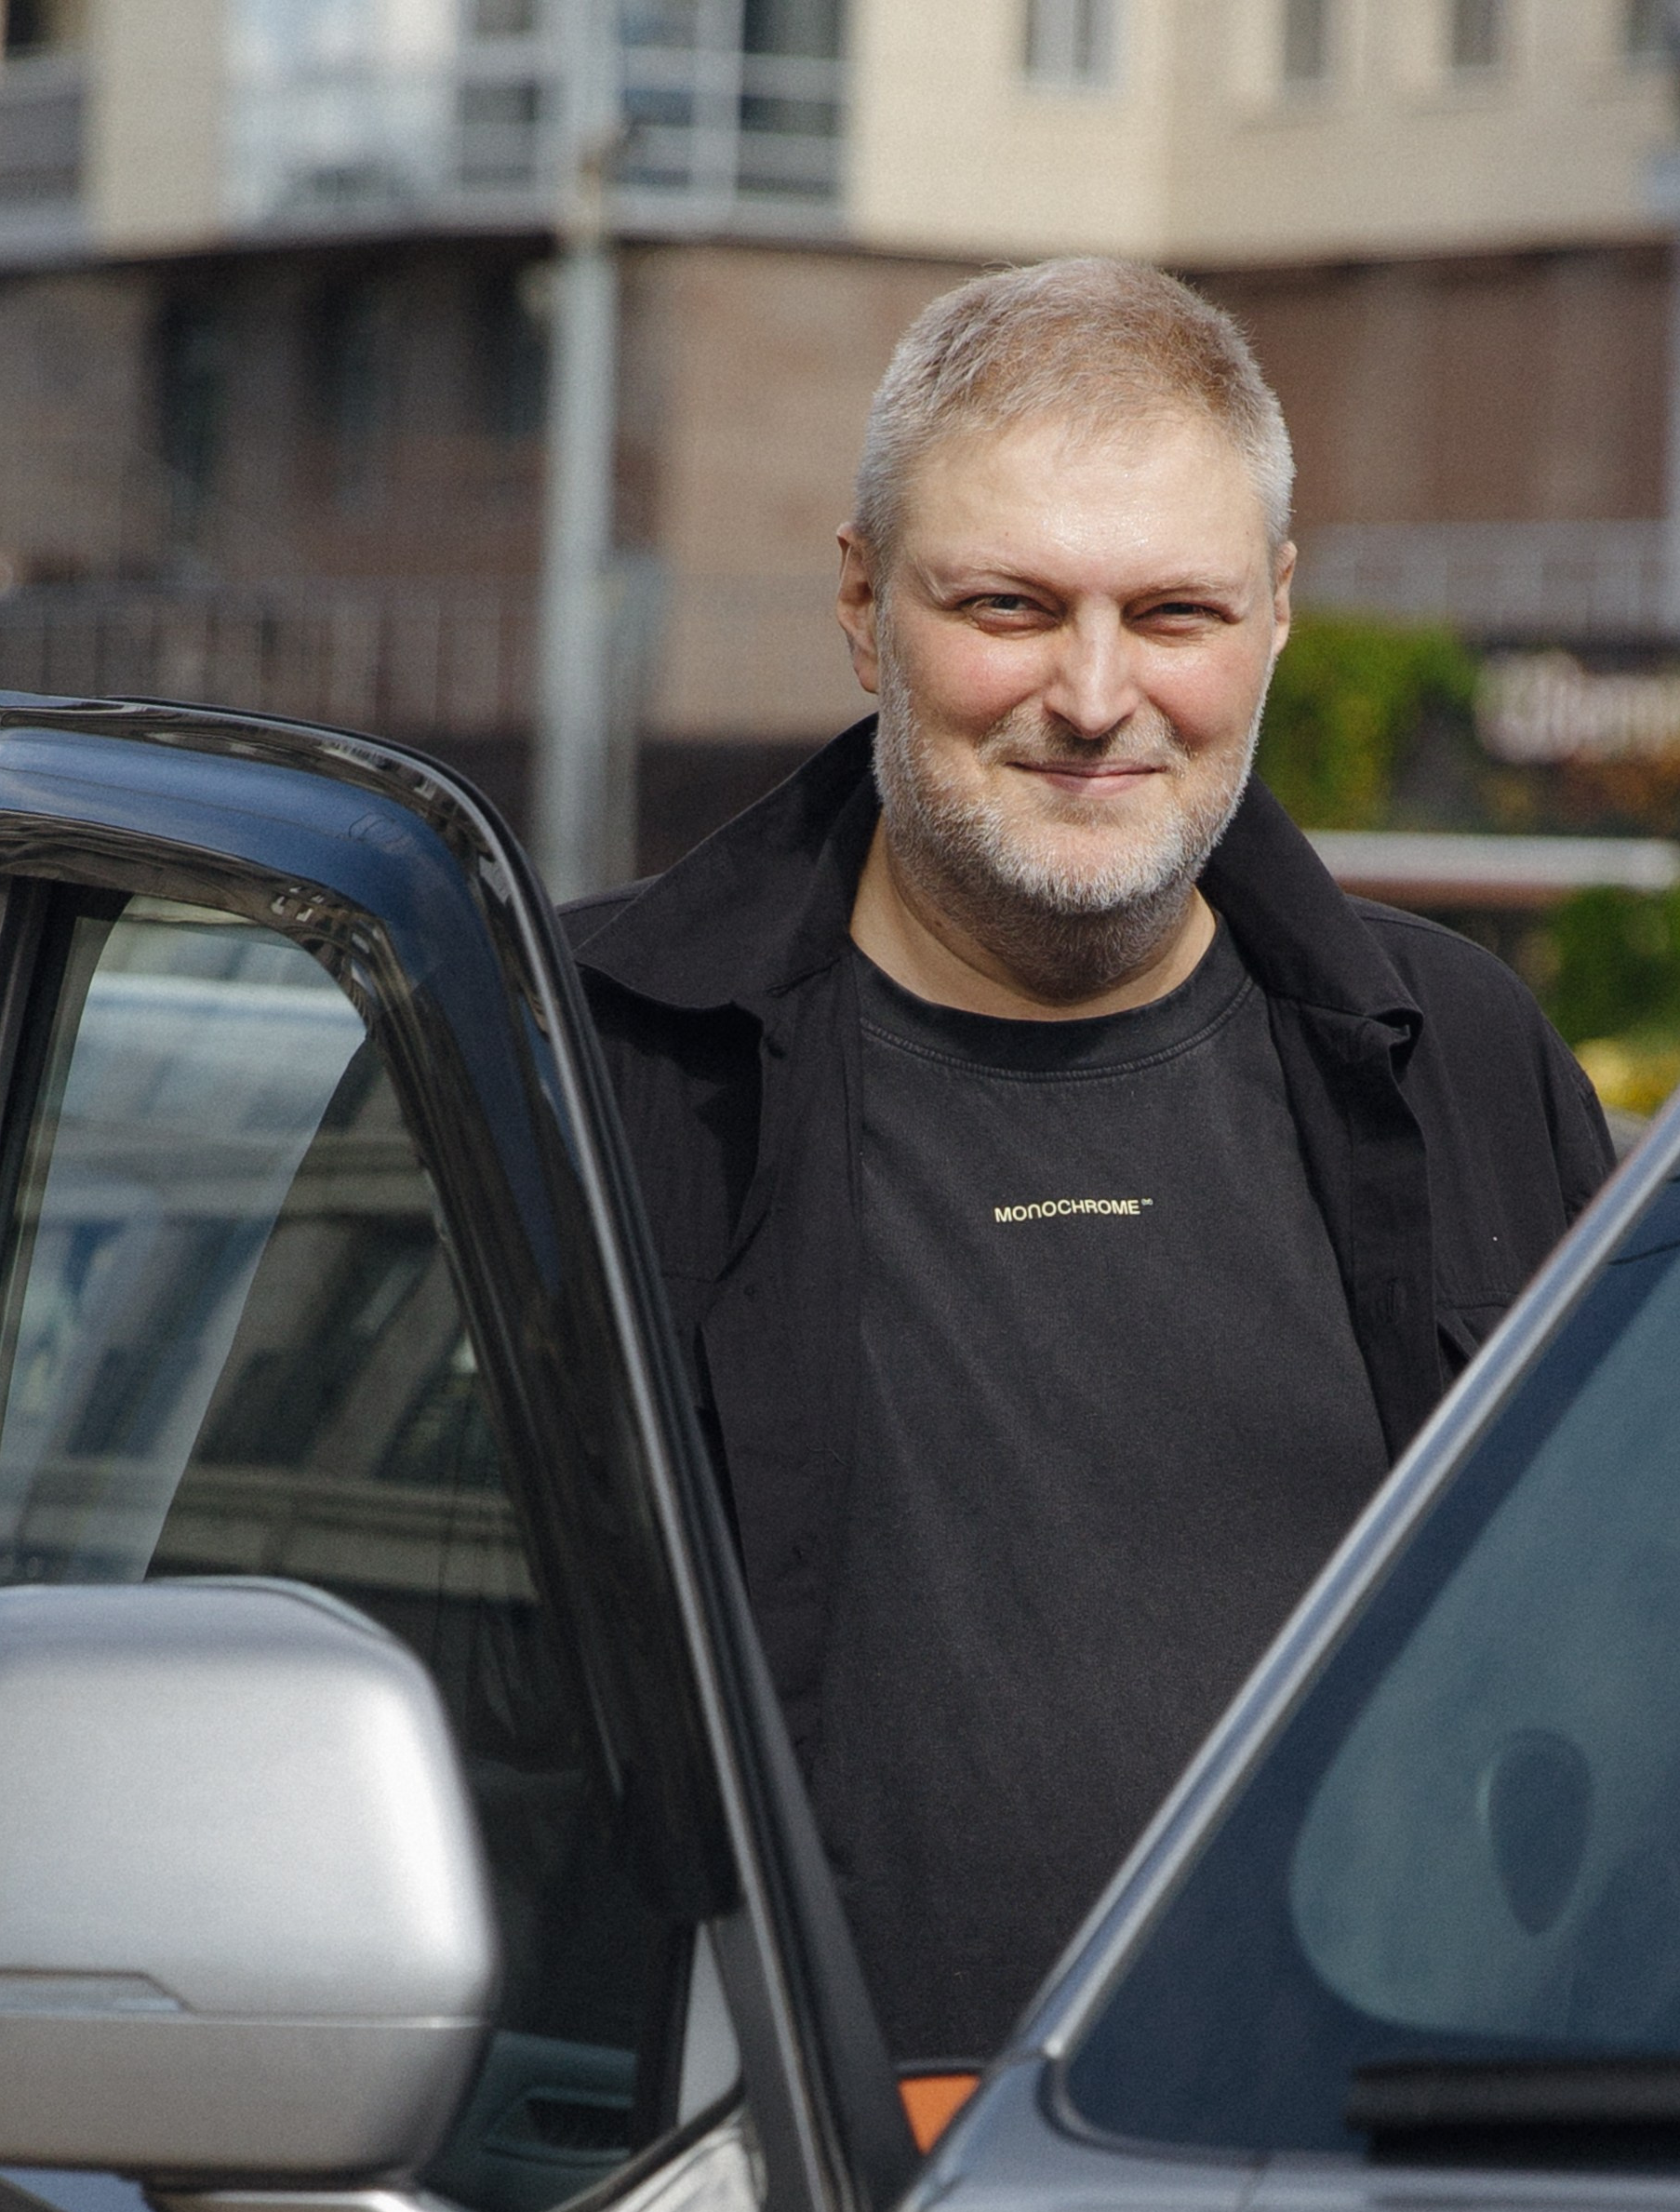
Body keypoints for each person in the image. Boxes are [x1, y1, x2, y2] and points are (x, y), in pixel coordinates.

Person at [570, 258, 1612, 2068]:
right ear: (859, 599)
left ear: (1277, 615)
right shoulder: (572, 1059)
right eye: (1010, 604)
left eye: (1177, 613)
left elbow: (1635, 1634)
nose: (1096, 693)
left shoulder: (1467, 1064)